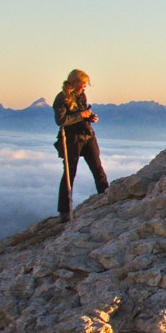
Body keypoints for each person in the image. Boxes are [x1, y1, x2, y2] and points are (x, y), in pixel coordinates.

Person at [54, 69, 108, 221]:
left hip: (87, 135)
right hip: (71, 139)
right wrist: (81, 116)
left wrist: (89, 117)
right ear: (76, 82)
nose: (85, 88)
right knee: (70, 174)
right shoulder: (62, 98)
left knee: (97, 168)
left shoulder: (81, 96)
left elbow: (82, 114)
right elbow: (61, 120)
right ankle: (64, 211)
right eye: (83, 84)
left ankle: (106, 197)